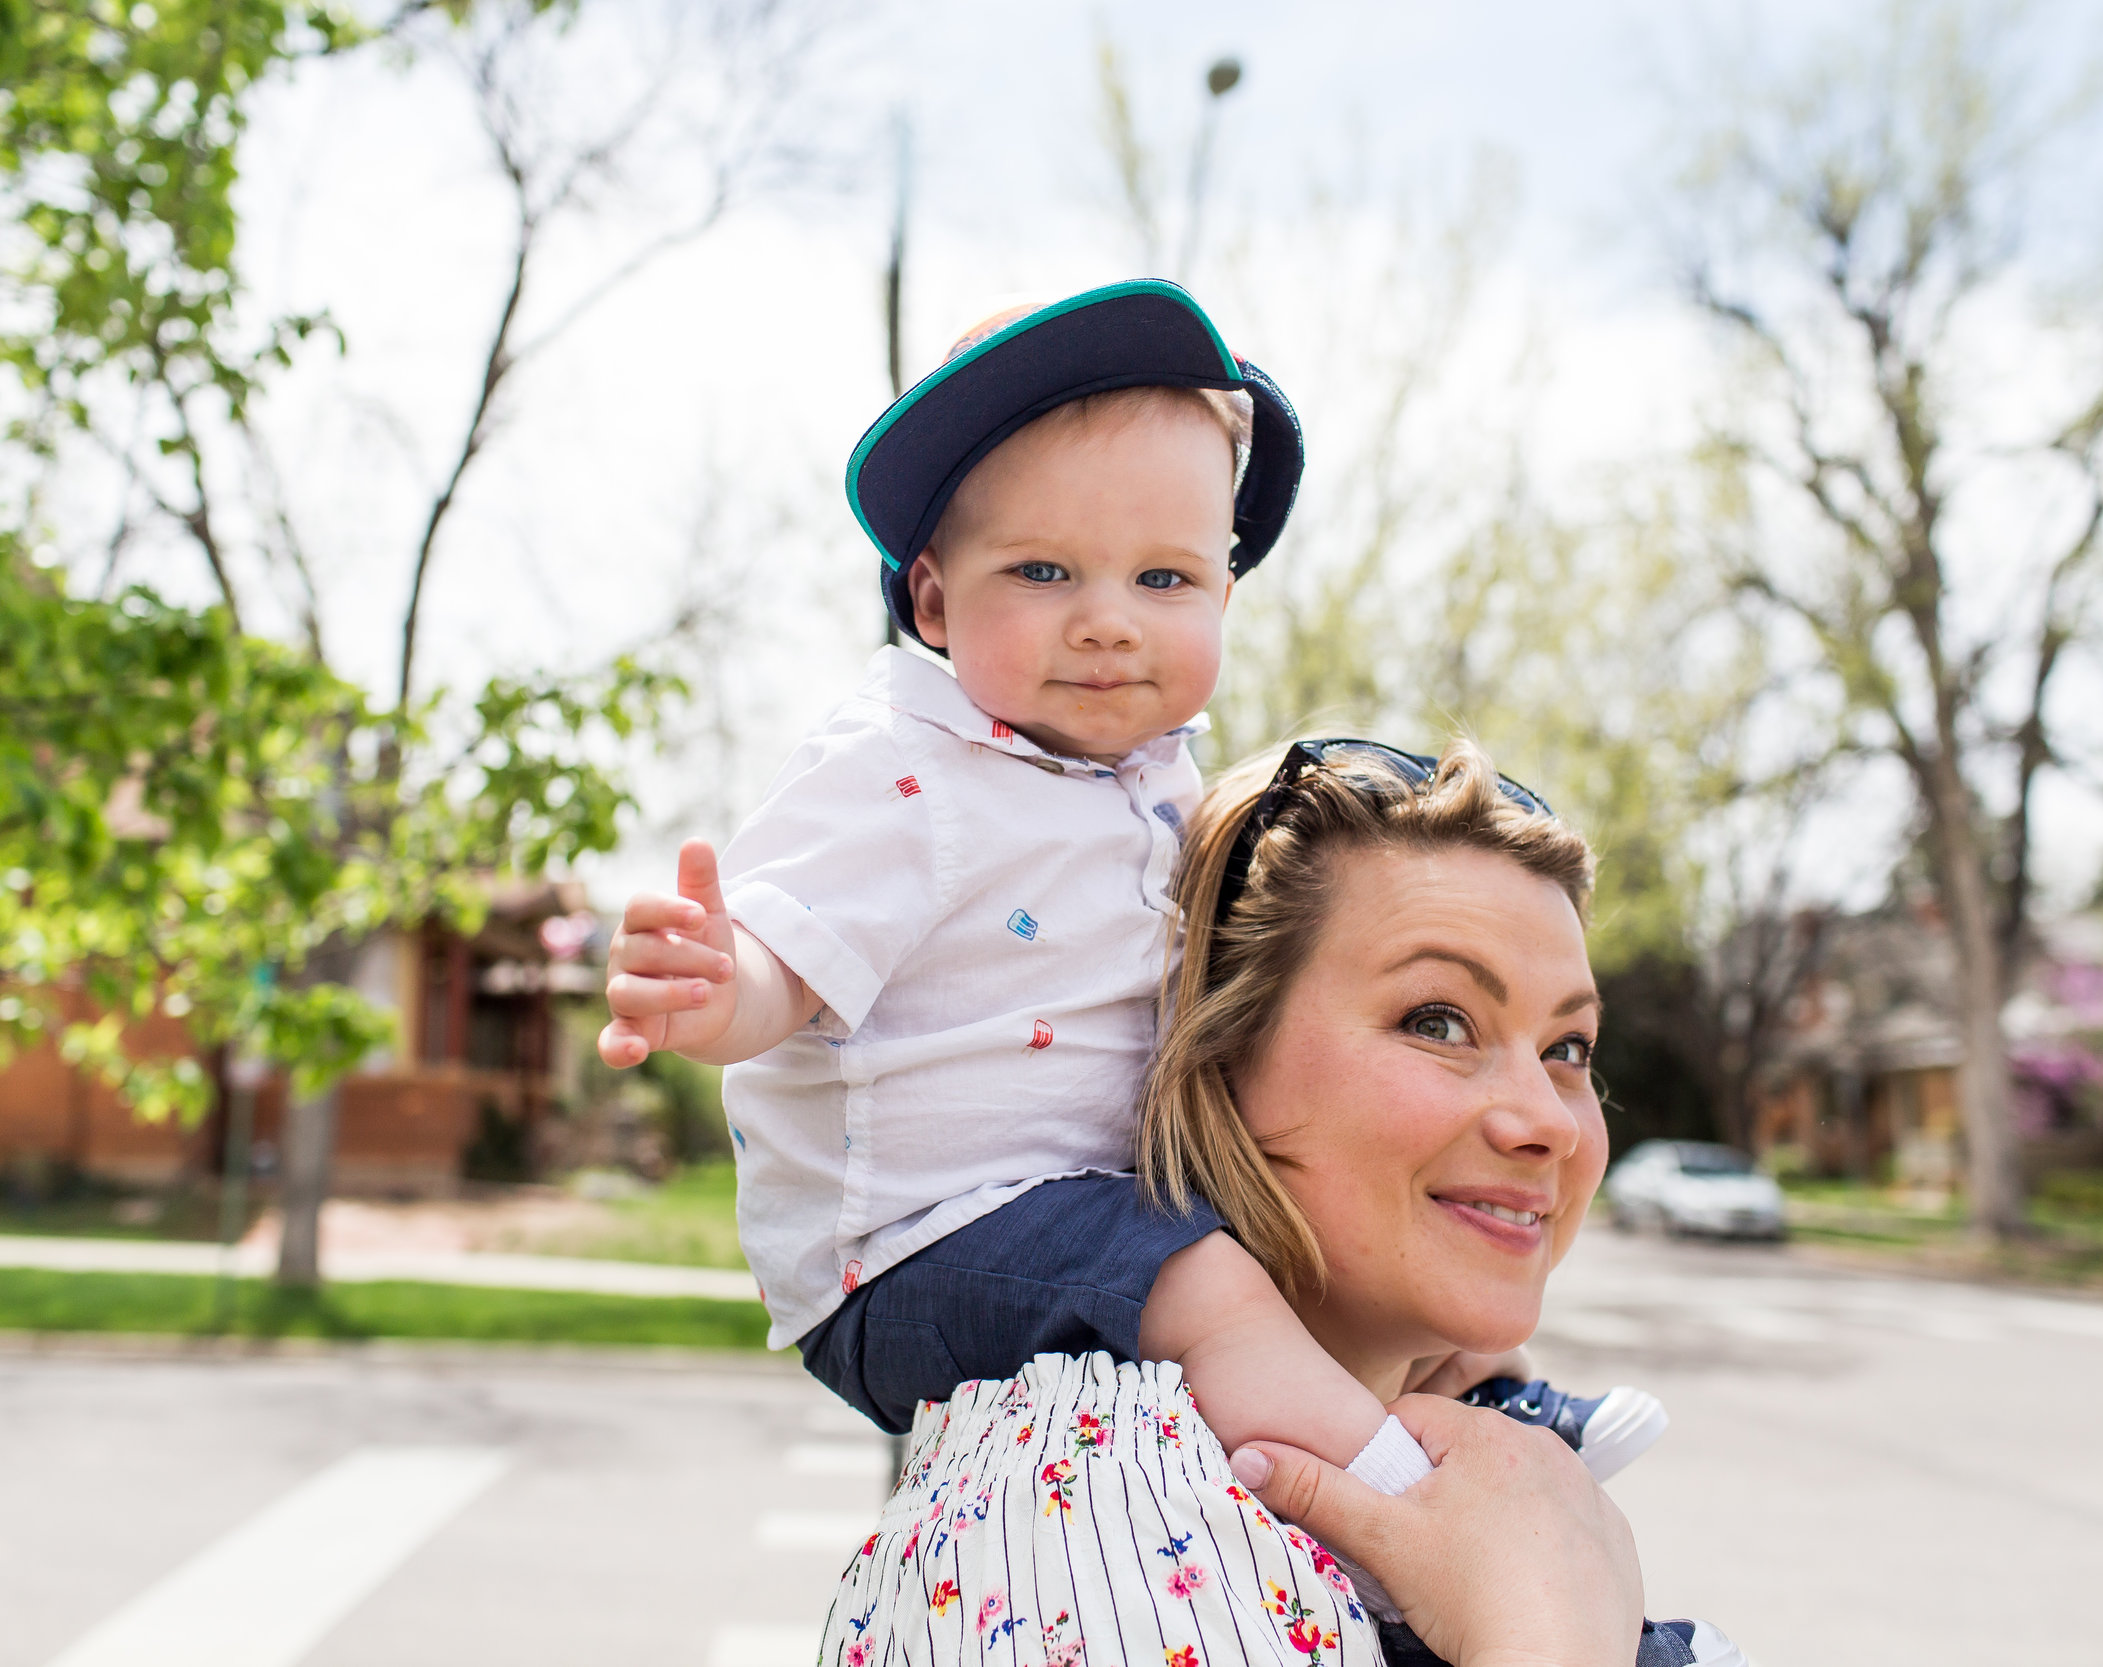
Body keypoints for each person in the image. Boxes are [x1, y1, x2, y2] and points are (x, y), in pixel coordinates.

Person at [596, 281, 1657, 1603]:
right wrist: (718, 987)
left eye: (1165, 577)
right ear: (932, 599)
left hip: (1076, 1202)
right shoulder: (908, 771)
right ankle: (1405, 1498)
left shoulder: (1157, 785)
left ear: (1224, 586)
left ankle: (1497, 1417)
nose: (1108, 618)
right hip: (917, 1244)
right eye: (1043, 570)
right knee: (1211, 1286)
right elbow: (786, 956)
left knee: (1291, 1267)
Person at [816, 741, 1744, 1665]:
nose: (1552, 1122)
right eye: (1438, 1021)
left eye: (1569, 1048)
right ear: (1217, 1067)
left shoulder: (1492, 1489)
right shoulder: (1098, 1511)